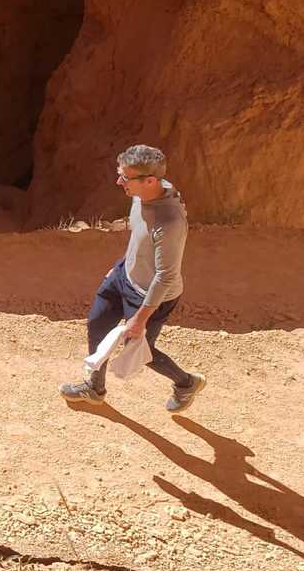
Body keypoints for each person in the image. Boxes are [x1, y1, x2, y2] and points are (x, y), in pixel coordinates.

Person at [60, 145, 206, 413]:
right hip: (123, 275)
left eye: (125, 177)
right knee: (97, 323)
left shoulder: (170, 222)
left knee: (139, 351)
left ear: (150, 181)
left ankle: (186, 383)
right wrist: (121, 266)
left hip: (150, 293)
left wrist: (139, 319)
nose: (119, 182)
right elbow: (140, 237)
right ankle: (94, 388)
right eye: (120, 174)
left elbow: (166, 276)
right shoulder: (144, 191)